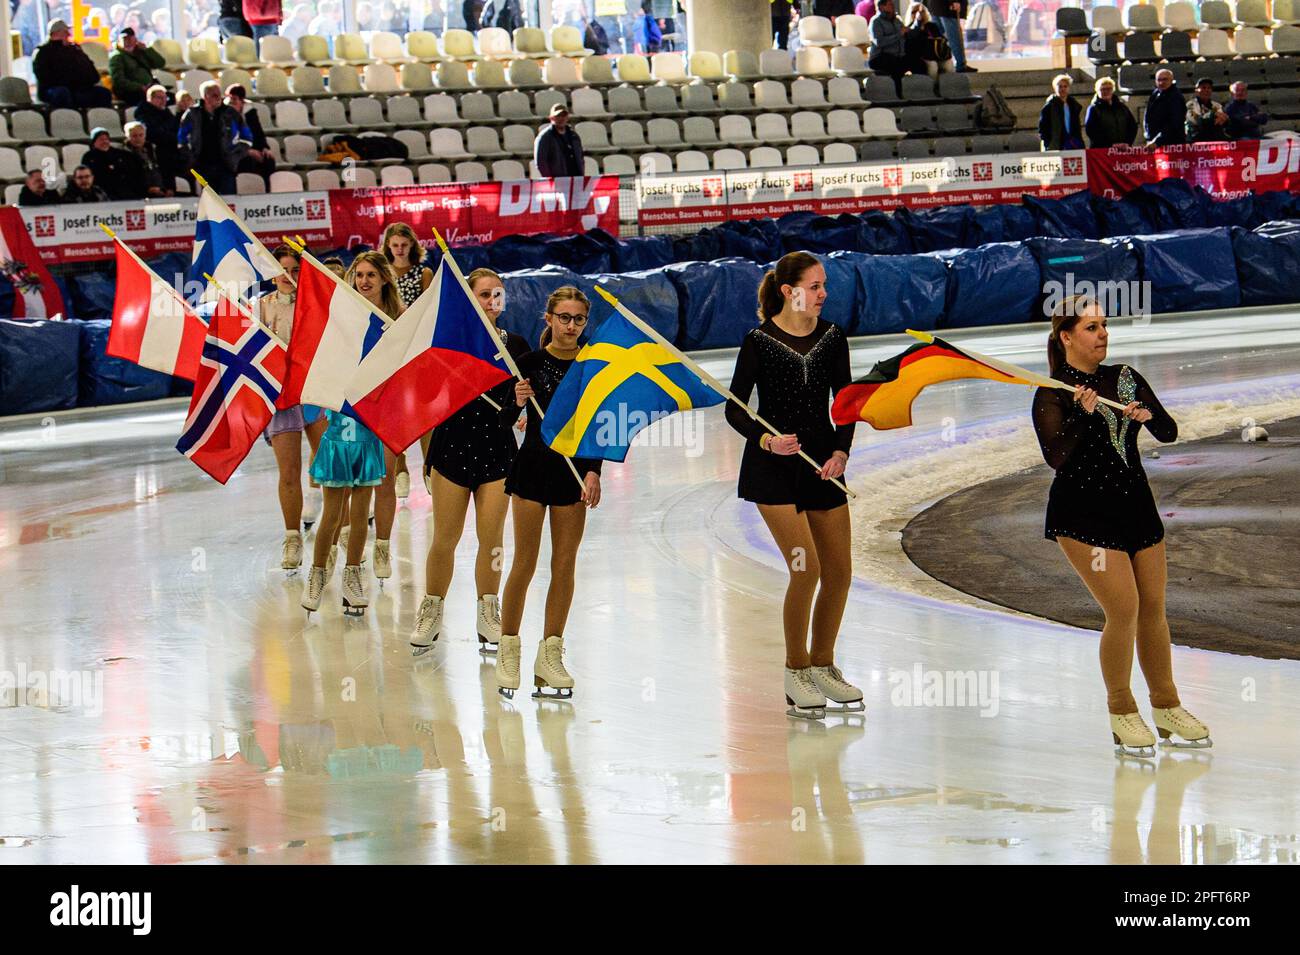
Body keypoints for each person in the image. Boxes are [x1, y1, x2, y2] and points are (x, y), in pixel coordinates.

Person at [1032, 296, 1210, 757]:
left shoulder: (1124, 378)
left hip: (1136, 507)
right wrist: (1083, 415)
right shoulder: (1051, 391)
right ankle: (1121, 709)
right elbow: (1056, 457)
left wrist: (1147, 416)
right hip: (1083, 516)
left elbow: (1168, 431)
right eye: (1091, 327)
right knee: (1124, 610)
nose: (1103, 334)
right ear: (1066, 337)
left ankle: (1167, 706)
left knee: (1154, 609)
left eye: (1104, 325)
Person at [725, 251, 860, 720]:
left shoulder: (832, 337)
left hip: (823, 463)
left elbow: (844, 403)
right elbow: (734, 408)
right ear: (789, 291)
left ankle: (823, 664)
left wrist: (842, 451)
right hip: (773, 470)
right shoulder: (758, 341)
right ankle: (795, 669)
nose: (824, 294)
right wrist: (764, 439)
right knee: (806, 569)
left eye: (825, 286)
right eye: (816, 286)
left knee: (839, 571)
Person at [412, 268, 531, 657]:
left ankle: (487, 612)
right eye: (483, 294)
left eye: (497, 293)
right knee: (444, 538)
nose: (492, 301)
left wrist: (520, 404)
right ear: (469, 300)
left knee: (492, 539)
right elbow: (427, 398)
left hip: (497, 452)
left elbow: (519, 411)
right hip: (451, 450)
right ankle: (431, 610)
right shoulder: (449, 345)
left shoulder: (516, 346)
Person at [495, 287, 603, 701]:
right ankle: (509, 650)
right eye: (563, 317)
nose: (570, 326)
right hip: (532, 470)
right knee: (524, 561)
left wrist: (593, 472)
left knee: (564, 563)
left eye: (578, 319)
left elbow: (598, 426)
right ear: (549, 319)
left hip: (573, 475)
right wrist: (516, 402)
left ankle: (550, 656)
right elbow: (504, 421)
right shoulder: (529, 363)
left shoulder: (592, 367)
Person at [301, 251, 404, 615]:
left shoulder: (396, 324)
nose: (363, 281)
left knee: (361, 511)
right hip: (341, 425)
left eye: (371, 275)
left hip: (372, 428)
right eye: (358, 275)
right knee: (333, 512)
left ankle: (353, 575)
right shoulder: (342, 321)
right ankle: (315, 575)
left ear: (384, 280)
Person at [257, 245, 309, 571]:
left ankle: (342, 529)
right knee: (289, 472)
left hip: (317, 392)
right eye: (282, 269)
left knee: (330, 467)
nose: (288, 276)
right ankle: (292, 537)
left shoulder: (315, 304)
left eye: (294, 270)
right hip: (282, 397)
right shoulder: (261, 307)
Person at [380, 222, 433, 499]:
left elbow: (429, 309)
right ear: (388, 246)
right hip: (390, 349)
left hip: (417, 349)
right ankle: (401, 468)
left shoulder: (423, 273)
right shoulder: (382, 274)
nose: (400, 249)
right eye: (395, 245)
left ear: (412, 245)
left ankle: (429, 467)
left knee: (425, 411)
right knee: (395, 411)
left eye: (404, 244)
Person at [178, 80, 253, 195]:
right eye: (214, 95)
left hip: (226, 166)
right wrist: (190, 157)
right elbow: (181, 139)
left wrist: (235, 156)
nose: (218, 97)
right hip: (202, 166)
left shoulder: (231, 113)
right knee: (209, 203)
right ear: (205, 96)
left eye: (219, 94)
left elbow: (247, 137)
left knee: (228, 204)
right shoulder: (192, 114)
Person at [33, 19, 114, 108]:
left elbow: (91, 72)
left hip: (77, 88)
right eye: (65, 32)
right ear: (56, 33)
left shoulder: (74, 50)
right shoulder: (43, 53)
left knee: (103, 93)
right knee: (63, 93)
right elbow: (45, 77)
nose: (69, 34)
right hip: (54, 90)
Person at [135, 86, 187, 191]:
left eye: (165, 98)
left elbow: (176, 129)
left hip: (171, 147)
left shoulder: (166, 112)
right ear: (150, 98)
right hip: (158, 151)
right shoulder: (143, 113)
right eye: (160, 98)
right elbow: (153, 132)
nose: (163, 101)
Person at [225, 84, 276, 186]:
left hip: (249, 147)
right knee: (247, 161)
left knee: (268, 159)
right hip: (233, 151)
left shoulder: (250, 113)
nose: (231, 103)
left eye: (234, 100)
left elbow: (258, 132)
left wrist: (264, 148)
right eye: (229, 100)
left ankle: (266, 189)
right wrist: (248, 151)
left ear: (242, 101)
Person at [81, 127, 147, 200]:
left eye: (106, 139)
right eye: (101, 139)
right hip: (102, 190)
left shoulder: (122, 154)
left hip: (125, 189)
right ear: (94, 142)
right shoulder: (89, 157)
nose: (105, 142)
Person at [107, 27, 163, 106]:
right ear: (119, 41)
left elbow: (160, 63)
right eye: (125, 39)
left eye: (130, 38)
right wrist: (140, 87)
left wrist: (147, 50)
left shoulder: (140, 53)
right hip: (131, 91)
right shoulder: (117, 57)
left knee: (168, 98)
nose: (128, 41)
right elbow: (118, 80)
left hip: (148, 87)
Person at [868, 0, 910, 97]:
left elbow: (906, 33)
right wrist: (899, 34)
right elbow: (879, 42)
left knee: (918, 64)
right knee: (896, 67)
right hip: (880, 57)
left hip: (898, 55)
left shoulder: (897, 20)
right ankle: (899, 95)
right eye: (890, 4)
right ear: (882, 7)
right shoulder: (876, 22)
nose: (893, 6)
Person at [1084, 76, 1137, 149]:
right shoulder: (1093, 109)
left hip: (1123, 150)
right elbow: (1091, 131)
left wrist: (1127, 143)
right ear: (1097, 91)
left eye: (1109, 89)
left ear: (1113, 90)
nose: (1106, 92)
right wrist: (1110, 145)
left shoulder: (1122, 107)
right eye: (1102, 89)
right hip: (1101, 151)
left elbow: (1132, 126)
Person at [534, 104, 585, 179]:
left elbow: (581, 158)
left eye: (563, 115)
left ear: (567, 117)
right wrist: (551, 180)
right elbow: (541, 162)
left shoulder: (574, 136)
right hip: (558, 182)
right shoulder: (545, 137)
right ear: (551, 118)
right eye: (558, 116)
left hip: (576, 180)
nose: (561, 118)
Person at [903, 1, 952, 77]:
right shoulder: (909, 28)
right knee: (933, 66)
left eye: (921, 11)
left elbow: (940, 39)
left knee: (949, 65)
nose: (918, 14)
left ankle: (949, 86)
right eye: (914, 12)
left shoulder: (931, 26)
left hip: (936, 54)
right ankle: (933, 87)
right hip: (923, 57)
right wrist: (918, 24)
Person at [1037, 73, 1084, 151]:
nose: (1063, 89)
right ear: (1055, 88)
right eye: (1060, 86)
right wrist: (1048, 143)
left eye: (1065, 86)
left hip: (1073, 144)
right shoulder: (1049, 106)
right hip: (1056, 145)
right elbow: (1043, 128)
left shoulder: (1073, 105)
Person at [122, 122, 169, 197]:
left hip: (161, 190)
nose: (138, 139)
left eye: (141, 135)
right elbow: (129, 179)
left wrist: (168, 188)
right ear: (128, 137)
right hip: (140, 194)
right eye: (134, 136)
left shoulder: (153, 150)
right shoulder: (123, 154)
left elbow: (164, 170)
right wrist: (148, 189)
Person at [925, 0, 974, 72]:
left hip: (935, 6)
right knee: (954, 38)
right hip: (947, 7)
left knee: (939, 39)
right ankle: (961, 66)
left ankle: (941, 66)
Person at [1143, 69, 1186, 148]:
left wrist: (1157, 141)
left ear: (1172, 80)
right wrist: (1149, 137)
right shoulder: (1154, 94)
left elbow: (1174, 123)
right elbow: (1147, 118)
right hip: (1154, 143)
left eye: (1165, 79)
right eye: (1159, 80)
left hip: (1172, 144)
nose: (1161, 82)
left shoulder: (1176, 97)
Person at [1185, 77, 1230, 143]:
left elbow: (1221, 121)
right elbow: (1196, 121)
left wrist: (1223, 118)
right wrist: (1213, 114)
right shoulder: (1190, 105)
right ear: (1196, 90)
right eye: (1203, 87)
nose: (1207, 90)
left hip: (1214, 136)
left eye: (1209, 88)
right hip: (1196, 137)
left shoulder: (1217, 105)